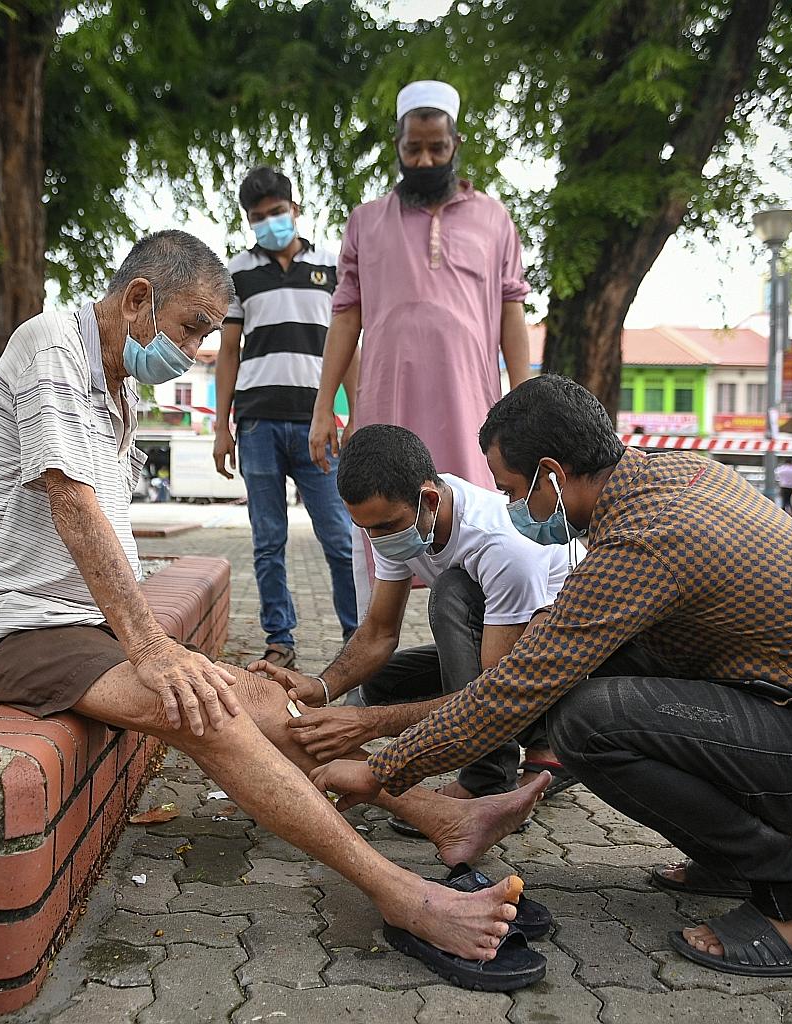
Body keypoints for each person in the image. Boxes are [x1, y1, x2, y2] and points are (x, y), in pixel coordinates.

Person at [0, 230, 551, 989]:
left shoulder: (116, 383)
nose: (198, 350)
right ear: (138, 300)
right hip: (9, 631)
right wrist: (155, 651)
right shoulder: (50, 349)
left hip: (78, 627)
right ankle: (403, 896)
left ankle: (439, 816)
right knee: (206, 712)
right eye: (193, 328)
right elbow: (73, 505)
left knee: (259, 694)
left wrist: (169, 650)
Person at [313, 375, 792, 980]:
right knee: (593, 686)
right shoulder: (672, 479)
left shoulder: (645, 538)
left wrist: (382, 769)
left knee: (591, 719)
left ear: (553, 475)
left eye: (512, 491)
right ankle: (730, 860)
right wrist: (513, 797)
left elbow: (517, 685)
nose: (509, 508)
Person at [253, 424, 583, 816]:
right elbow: (378, 633)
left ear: (428, 498)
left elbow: (498, 692)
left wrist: (371, 727)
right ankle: (547, 748)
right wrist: (321, 687)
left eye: (385, 527)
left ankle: (490, 780)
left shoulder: (500, 543)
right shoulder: (402, 522)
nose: (377, 539)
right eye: (366, 529)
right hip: (506, 651)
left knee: (451, 594)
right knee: (377, 681)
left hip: (565, 664)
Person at [308, 78, 531, 511]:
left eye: (437, 148)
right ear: (397, 145)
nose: (424, 160)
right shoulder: (365, 222)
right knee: (385, 521)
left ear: (456, 144)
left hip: (470, 405)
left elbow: (512, 312)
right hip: (386, 401)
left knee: (471, 524)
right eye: (413, 149)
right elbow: (345, 318)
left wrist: (525, 407)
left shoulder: (493, 219)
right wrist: (323, 409)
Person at [213, 166, 358, 668]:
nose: (270, 222)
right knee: (267, 539)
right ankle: (281, 640)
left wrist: (355, 413)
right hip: (256, 424)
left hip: (318, 423)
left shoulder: (333, 267)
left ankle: (356, 639)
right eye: (259, 217)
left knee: (340, 537)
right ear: (248, 222)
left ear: (295, 209)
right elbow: (229, 351)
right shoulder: (236, 273)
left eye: (277, 212)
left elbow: (349, 346)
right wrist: (220, 427)